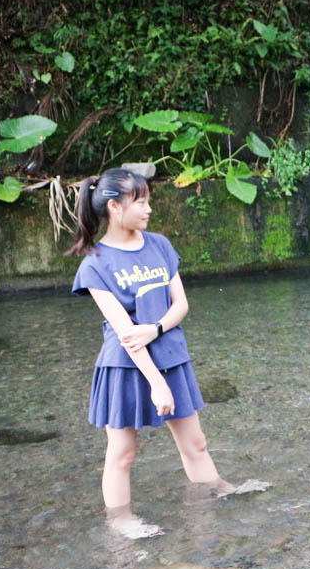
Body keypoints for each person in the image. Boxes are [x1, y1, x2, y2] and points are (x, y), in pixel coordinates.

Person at [68, 168, 264, 539]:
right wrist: (156, 383)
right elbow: (125, 334)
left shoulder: (158, 244)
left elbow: (181, 304)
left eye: (147, 200)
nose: (149, 209)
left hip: (171, 355)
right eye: (140, 201)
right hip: (125, 367)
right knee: (123, 452)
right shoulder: (94, 263)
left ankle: (218, 493)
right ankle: (121, 522)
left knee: (196, 442)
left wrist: (156, 329)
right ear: (114, 206)